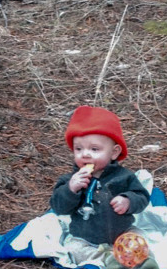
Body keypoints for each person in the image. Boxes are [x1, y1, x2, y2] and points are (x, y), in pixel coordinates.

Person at [50, 105, 151, 251]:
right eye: (78, 149)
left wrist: (128, 200)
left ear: (114, 153)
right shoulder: (70, 180)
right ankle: (106, 260)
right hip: (85, 237)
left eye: (94, 149)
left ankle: (143, 262)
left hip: (122, 232)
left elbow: (142, 197)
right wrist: (70, 190)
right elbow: (59, 207)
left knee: (139, 240)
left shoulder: (124, 177)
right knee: (75, 248)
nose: (85, 154)